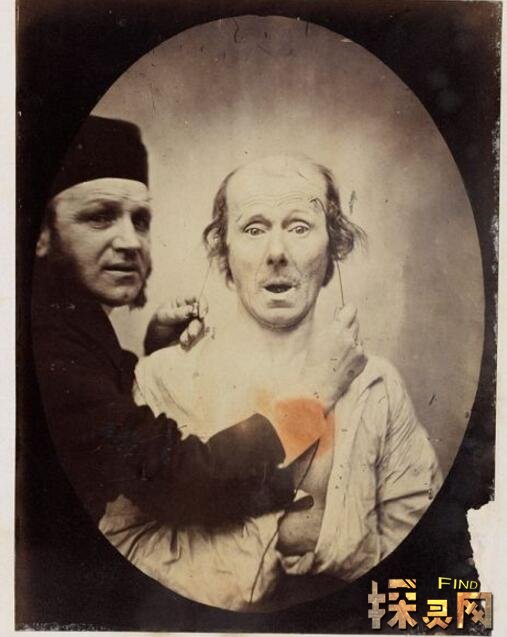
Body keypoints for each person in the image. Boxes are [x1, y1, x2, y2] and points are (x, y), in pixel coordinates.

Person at [100, 153, 441, 611]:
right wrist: (260, 559)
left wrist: (336, 569)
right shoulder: (164, 378)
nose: (277, 253)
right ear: (224, 251)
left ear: (333, 246)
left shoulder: (376, 386)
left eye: (299, 227)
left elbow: (418, 544)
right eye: (254, 229)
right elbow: (123, 546)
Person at [31, 118, 365, 532]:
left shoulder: (72, 328)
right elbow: (178, 484)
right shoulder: (46, 342)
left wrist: (155, 353)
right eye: (100, 217)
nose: (130, 242)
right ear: (41, 233)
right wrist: (314, 397)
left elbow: (103, 413)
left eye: (140, 220)